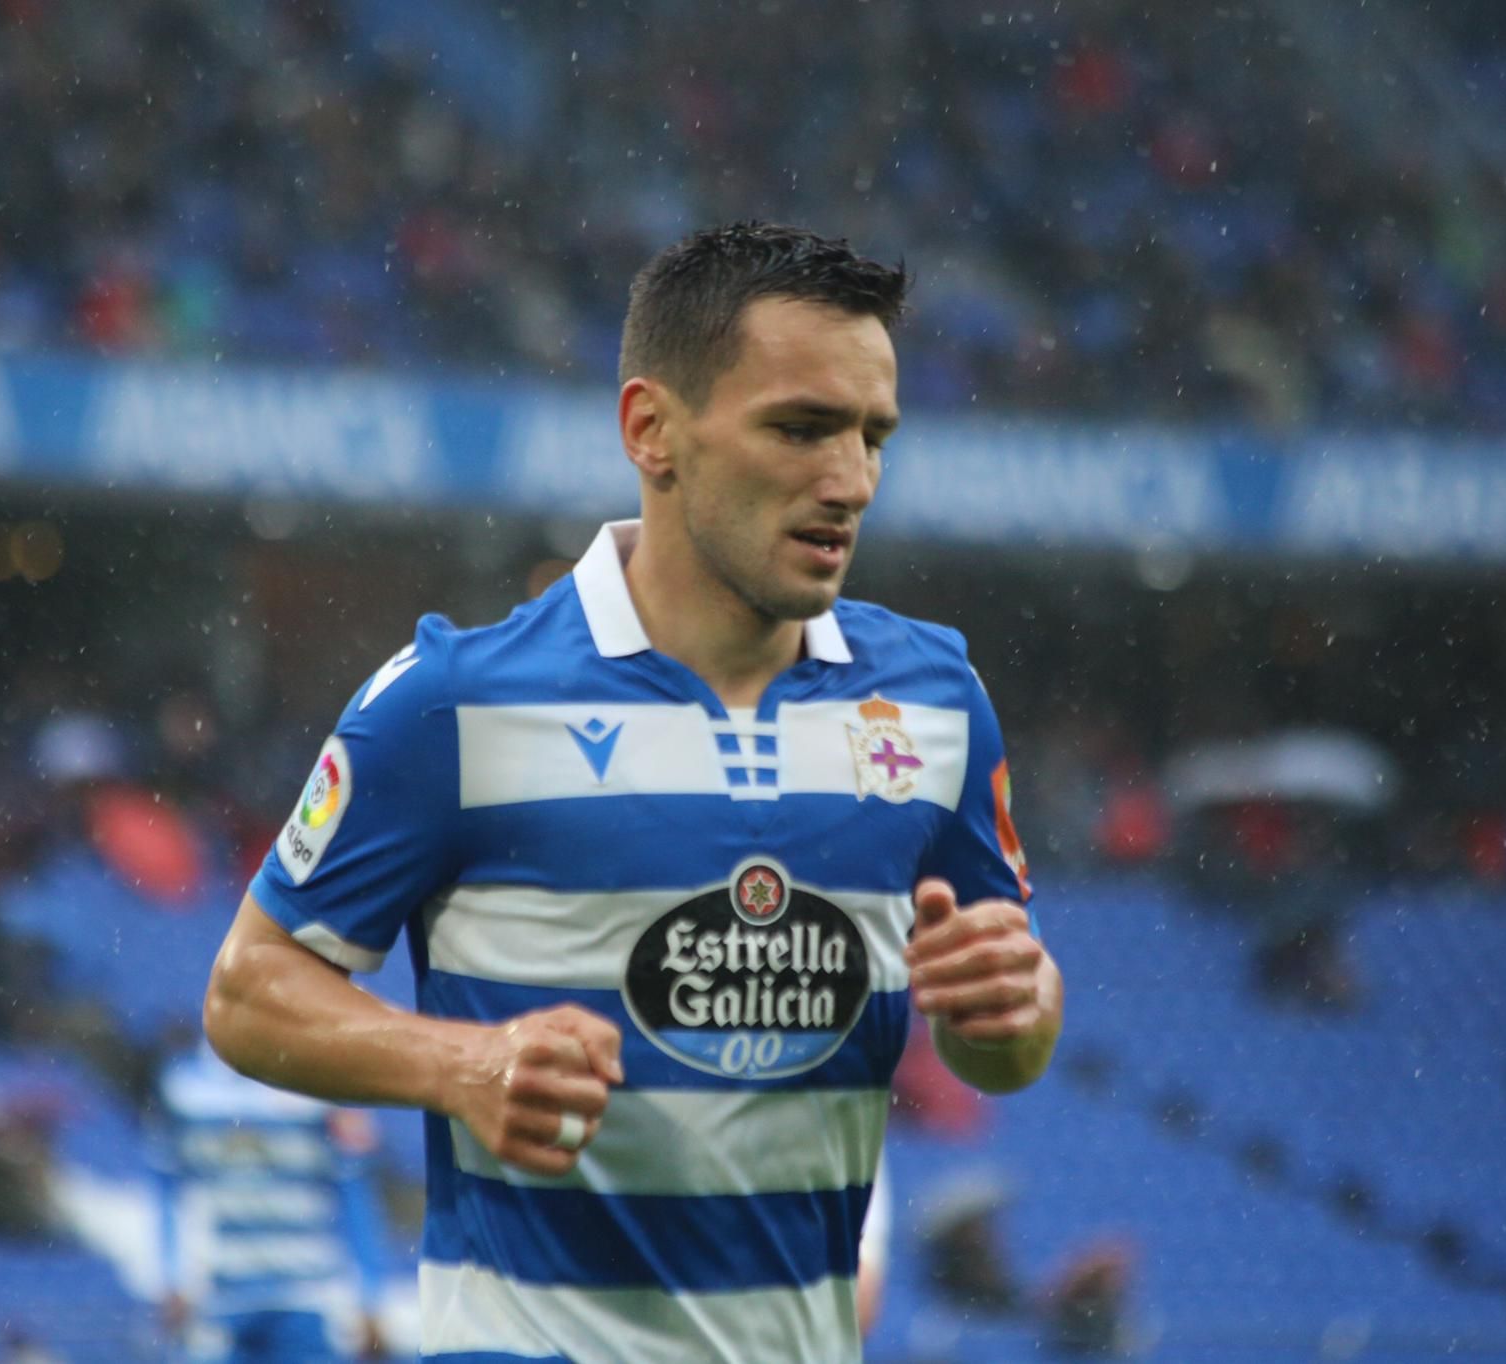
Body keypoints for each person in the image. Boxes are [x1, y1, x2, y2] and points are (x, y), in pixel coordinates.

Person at [203, 221, 1064, 1362]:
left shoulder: (933, 699)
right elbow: (251, 991)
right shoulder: (451, 700)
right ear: (651, 431)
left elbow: (999, 1043)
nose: (848, 478)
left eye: (871, 435)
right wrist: (460, 1064)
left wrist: (1020, 1002)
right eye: (800, 427)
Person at [152, 1041, 396, 1362]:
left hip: (308, 1299)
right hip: (219, 1298)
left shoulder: (325, 1083)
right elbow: (167, 1188)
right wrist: (172, 1278)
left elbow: (354, 1196)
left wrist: (371, 1297)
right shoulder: (185, 1088)